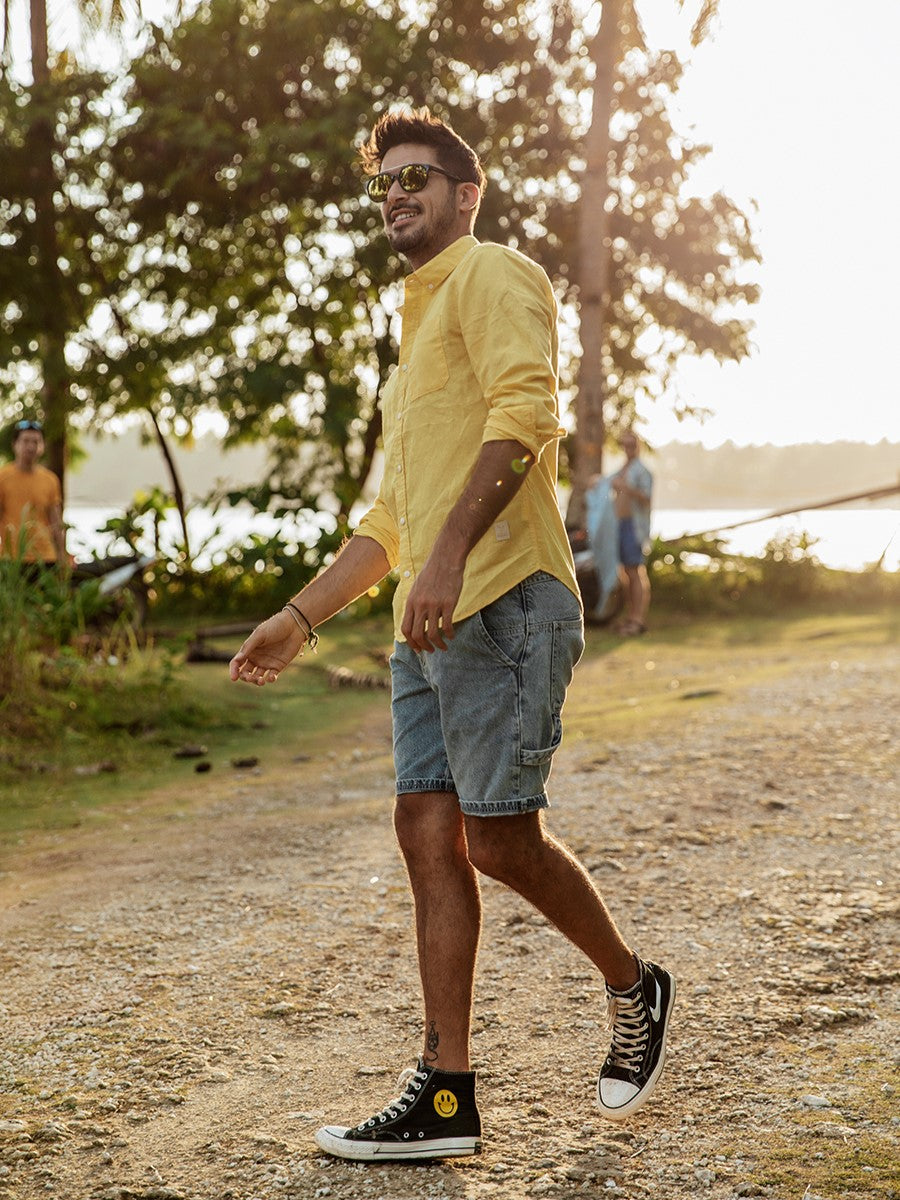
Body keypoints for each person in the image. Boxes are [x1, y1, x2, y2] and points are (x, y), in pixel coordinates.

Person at [229, 108, 675, 1162]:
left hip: (506, 601)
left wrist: (445, 559)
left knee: (497, 838)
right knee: (428, 839)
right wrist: (299, 618)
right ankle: (445, 1096)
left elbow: (525, 417)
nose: (398, 192)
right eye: (385, 181)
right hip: (419, 628)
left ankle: (634, 984)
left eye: (418, 175)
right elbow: (391, 518)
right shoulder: (413, 331)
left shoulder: (494, 276)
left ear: (466, 194)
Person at [0, 419, 67, 570]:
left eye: (36, 441)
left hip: (46, 557)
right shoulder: (2, 477)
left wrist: (62, 555)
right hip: (12, 558)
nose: (31, 446)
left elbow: (56, 521)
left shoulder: (50, 479)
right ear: (15, 444)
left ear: (42, 446)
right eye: (26, 441)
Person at [611, 430, 653, 635]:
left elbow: (647, 498)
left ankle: (638, 619)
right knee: (625, 572)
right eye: (624, 444)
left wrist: (626, 488)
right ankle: (629, 616)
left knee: (635, 571)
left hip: (634, 526)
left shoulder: (642, 471)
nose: (627, 448)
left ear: (638, 446)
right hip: (619, 524)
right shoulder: (621, 469)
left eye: (631, 444)